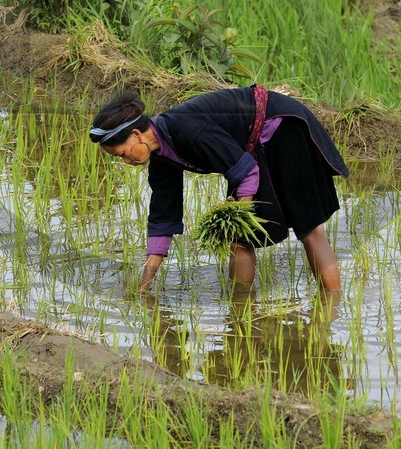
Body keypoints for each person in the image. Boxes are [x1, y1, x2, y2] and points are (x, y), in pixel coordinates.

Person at [89, 84, 348, 294]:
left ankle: (332, 309)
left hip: (281, 126)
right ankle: (241, 313)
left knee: (309, 228)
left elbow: (245, 171)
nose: (127, 161)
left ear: (136, 134)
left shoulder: (186, 128)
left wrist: (239, 215)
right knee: (239, 240)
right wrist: (144, 283)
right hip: (251, 147)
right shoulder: (161, 159)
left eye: (123, 153)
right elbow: (163, 218)